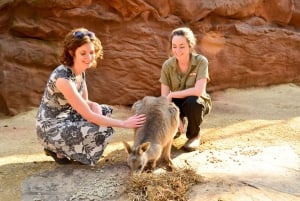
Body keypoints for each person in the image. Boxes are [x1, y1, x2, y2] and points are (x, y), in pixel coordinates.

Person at [36, 27, 146, 165]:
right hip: (51, 127)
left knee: (103, 112)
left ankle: (66, 150)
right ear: (72, 52)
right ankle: (56, 148)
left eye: (91, 52)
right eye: (83, 53)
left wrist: (95, 107)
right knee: (98, 129)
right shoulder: (63, 78)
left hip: (67, 117)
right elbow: (89, 115)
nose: (89, 57)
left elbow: (85, 102)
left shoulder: (80, 71)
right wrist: (124, 123)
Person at [159, 27, 212, 152]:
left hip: (197, 102)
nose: (177, 50)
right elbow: (164, 98)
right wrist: (175, 117)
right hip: (176, 103)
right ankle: (176, 129)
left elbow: (198, 91)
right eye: (174, 46)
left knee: (193, 102)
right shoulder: (167, 65)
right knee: (165, 107)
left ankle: (194, 136)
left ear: (190, 45)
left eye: (182, 46)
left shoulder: (201, 62)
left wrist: (173, 95)